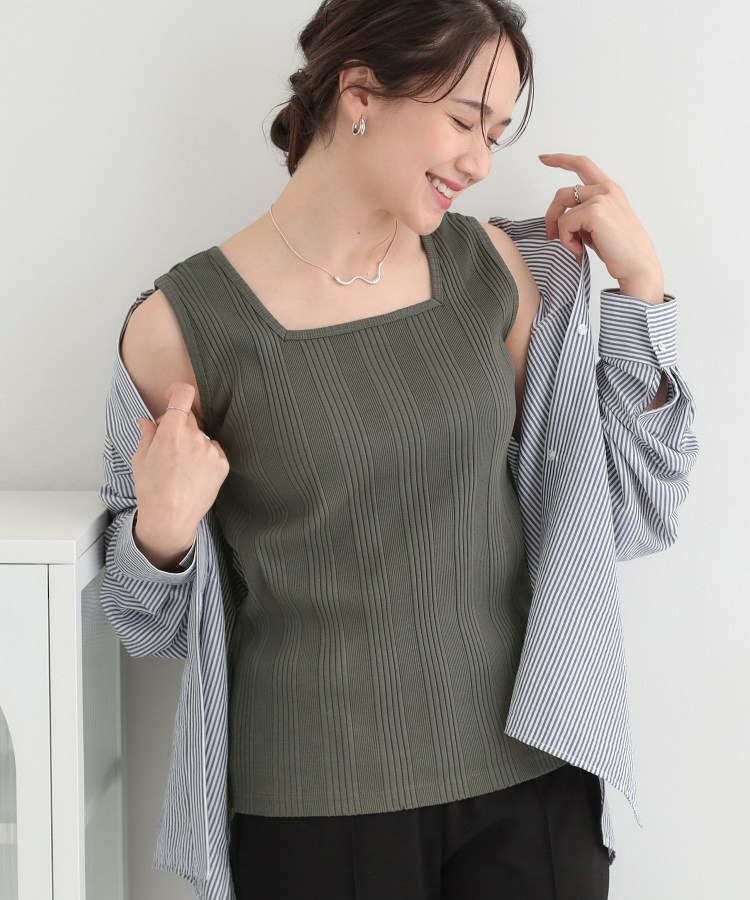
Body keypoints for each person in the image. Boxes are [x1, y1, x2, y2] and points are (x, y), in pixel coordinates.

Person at [99, 1, 697, 897]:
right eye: (464, 120)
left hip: (532, 780)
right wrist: (163, 535)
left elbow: (630, 512)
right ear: (360, 92)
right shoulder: (181, 327)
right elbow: (139, 619)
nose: (480, 161)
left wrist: (641, 293)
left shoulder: (495, 273)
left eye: (495, 133)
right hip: (312, 807)